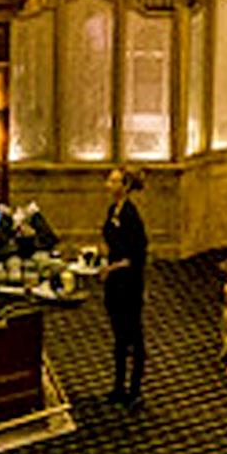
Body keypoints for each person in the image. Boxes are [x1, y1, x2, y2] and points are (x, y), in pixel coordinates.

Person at [99, 166, 150, 403]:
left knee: (134, 336)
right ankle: (119, 387)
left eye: (113, 181)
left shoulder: (132, 216)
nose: (108, 184)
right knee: (119, 336)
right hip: (114, 283)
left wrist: (111, 268)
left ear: (125, 187)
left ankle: (135, 390)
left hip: (129, 284)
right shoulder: (112, 210)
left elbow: (136, 256)